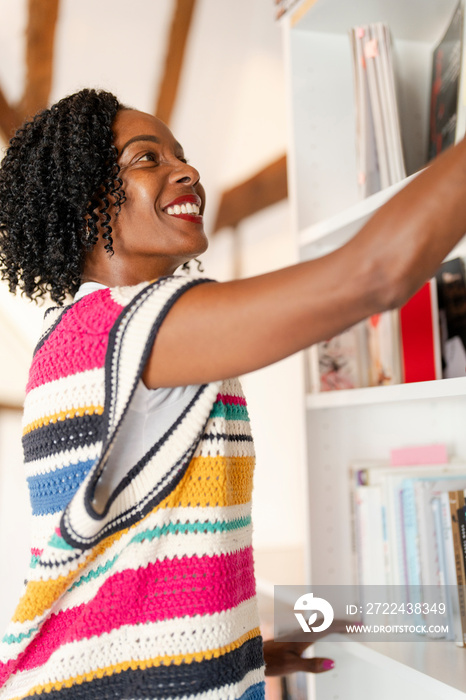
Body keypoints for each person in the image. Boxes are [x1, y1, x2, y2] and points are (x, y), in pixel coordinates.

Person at [0, 87, 465, 699]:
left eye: (181, 155)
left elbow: (128, 556)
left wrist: (236, 653)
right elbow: (376, 273)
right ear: (85, 201)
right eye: (147, 159)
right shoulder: (121, 328)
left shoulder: (88, 332)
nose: (185, 170)